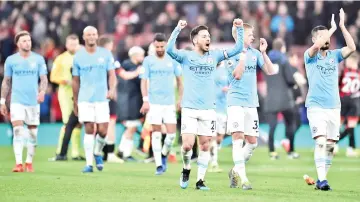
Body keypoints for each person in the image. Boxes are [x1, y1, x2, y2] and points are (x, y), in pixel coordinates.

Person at [166, 19, 244, 190]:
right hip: (189, 107)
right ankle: (186, 168)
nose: (208, 39)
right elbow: (169, 49)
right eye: (203, 36)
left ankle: (200, 180)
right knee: (187, 144)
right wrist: (177, 29)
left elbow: (238, 49)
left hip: (209, 108)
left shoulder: (214, 55)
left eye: (208, 36)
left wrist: (239, 29)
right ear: (195, 40)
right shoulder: (186, 56)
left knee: (205, 144)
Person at [304, 9, 356, 191]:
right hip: (316, 106)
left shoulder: (334, 56)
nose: (325, 39)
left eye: (326, 36)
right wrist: (329, 31)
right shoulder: (309, 56)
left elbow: (352, 48)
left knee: (330, 147)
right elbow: (317, 46)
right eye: (320, 36)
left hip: (334, 107)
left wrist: (341, 26)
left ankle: (321, 179)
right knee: (320, 141)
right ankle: (323, 179)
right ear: (314, 39)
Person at [226, 23, 276, 190]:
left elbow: (270, 71)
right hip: (235, 102)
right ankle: (244, 179)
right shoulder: (231, 54)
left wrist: (263, 52)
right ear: (239, 36)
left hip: (251, 103)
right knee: (238, 139)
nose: (253, 37)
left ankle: (234, 170)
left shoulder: (255, 53)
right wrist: (242, 55)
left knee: (252, 143)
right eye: (249, 34)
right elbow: (238, 75)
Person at [0, 31, 48, 172]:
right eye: (24, 41)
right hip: (17, 100)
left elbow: (44, 78)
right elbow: (6, 81)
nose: (28, 43)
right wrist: (2, 101)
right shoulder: (11, 60)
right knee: (18, 130)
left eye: (29, 40)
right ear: (18, 44)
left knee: (33, 134)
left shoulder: (38, 59)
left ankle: (29, 162)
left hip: (33, 102)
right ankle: (19, 163)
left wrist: (42, 92)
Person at [72, 26, 117, 173]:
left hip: (102, 98)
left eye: (94, 34)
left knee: (103, 131)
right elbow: (75, 80)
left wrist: (111, 90)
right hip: (85, 98)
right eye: (88, 34)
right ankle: (89, 164)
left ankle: (97, 152)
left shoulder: (105, 54)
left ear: (97, 36)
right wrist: (75, 101)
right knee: (89, 129)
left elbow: (111, 75)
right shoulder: (78, 56)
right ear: (84, 37)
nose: (91, 37)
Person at [139, 33, 183, 175]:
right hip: (154, 103)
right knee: (156, 134)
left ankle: (163, 155)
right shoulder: (148, 60)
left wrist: (180, 99)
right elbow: (143, 81)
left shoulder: (173, 60)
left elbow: (180, 81)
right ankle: (158, 164)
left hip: (169, 103)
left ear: (166, 45)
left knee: (170, 136)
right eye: (157, 46)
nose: (159, 49)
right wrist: (145, 100)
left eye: (161, 46)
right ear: (153, 45)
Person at [263, 38, 306, 160]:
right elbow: (290, 79)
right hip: (284, 99)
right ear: (283, 48)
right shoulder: (284, 60)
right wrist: (295, 84)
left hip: (270, 98)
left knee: (272, 126)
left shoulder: (266, 60)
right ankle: (291, 151)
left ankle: (272, 152)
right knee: (291, 124)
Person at [50, 34, 83, 161]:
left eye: (75, 44)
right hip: (66, 93)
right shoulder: (60, 59)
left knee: (78, 123)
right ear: (66, 45)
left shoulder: (82, 57)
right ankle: (60, 151)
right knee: (67, 122)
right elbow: (53, 77)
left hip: (79, 93)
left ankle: (75, 153)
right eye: (71, 44)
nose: (73, 46)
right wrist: (65, 81)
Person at [97, 35, 124, 163]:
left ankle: (98, 152)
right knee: (110, 123)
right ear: (108, 45)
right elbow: (119, 74)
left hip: (96, 95)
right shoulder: (111, 58)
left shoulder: (94, 57)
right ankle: (110, 153)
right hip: (109, 94)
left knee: (98, 124)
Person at [116, 46, 145, 161]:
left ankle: (122, 151)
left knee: (131, 127)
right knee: (131, 127)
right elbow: (127, 76)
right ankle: (125, 154)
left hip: (133, 100)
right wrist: (139, 71)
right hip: (129, 101)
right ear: (135, 55)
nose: (143, 58)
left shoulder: (133, 66)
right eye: (141, 55)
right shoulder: (128, 65)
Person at [337, 52, 359, 157]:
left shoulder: (343, 72)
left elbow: (338, 85)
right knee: (349, 126)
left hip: (345, 101)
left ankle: (350, 147)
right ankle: (333, 144)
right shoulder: (358, 73)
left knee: (347, 126)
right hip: (352, 102)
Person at [209, 61, 229, 173]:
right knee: (212, 136)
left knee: (219, 137)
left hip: (223, 108)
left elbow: (230, 84)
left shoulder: (224, 71)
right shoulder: (208, 70)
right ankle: (213, 162)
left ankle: (214, 151)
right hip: (211, 107)